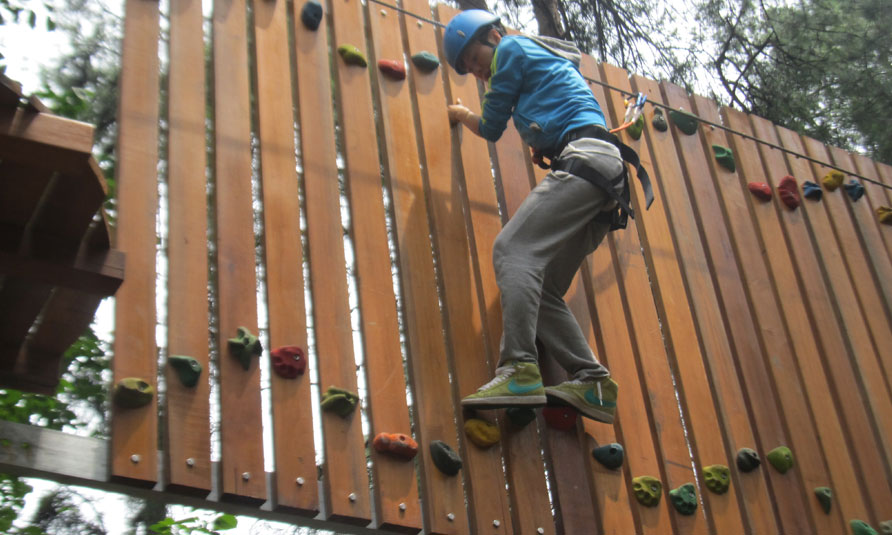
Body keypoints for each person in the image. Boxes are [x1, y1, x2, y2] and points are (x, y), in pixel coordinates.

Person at [444, 9, 653, 424]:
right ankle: (593, 381)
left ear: (496, 35)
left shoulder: (514, 49)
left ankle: (519, 368)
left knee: (512, 251)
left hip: (588, 162)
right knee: (543, 292)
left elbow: (490, 125)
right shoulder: (534, 64)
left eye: (474, 57)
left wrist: (465, 115)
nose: (476, 69)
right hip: (603, 182)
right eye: (468, 68)